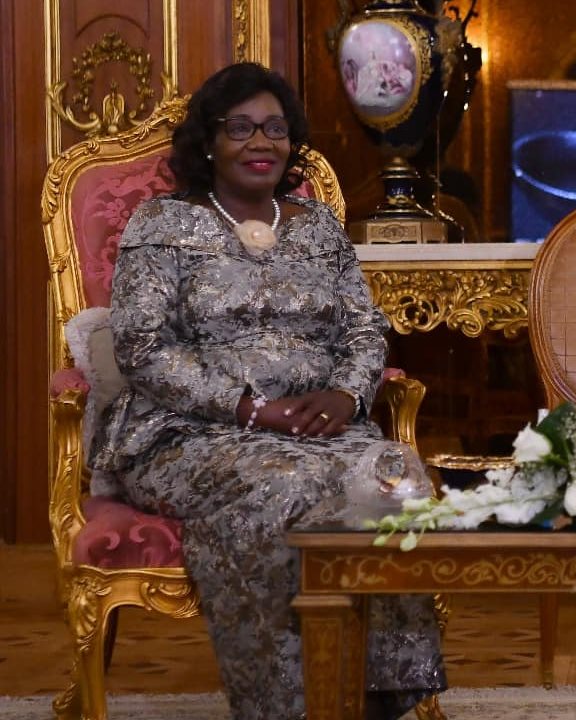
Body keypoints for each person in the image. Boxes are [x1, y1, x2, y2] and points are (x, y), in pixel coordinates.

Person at [92, 62, 445, 720]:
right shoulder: (160, 225)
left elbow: (364, 328)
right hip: (188, 434)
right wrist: (250, 408)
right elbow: (142, 348)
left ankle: (372, 698)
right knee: (286, 485)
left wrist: (346, 397)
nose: (261, 142)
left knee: (393, 480)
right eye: (241, 128)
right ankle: (286, 704)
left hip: (320, 427)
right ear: (207, 141)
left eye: (276, 129)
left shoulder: (318, 227)